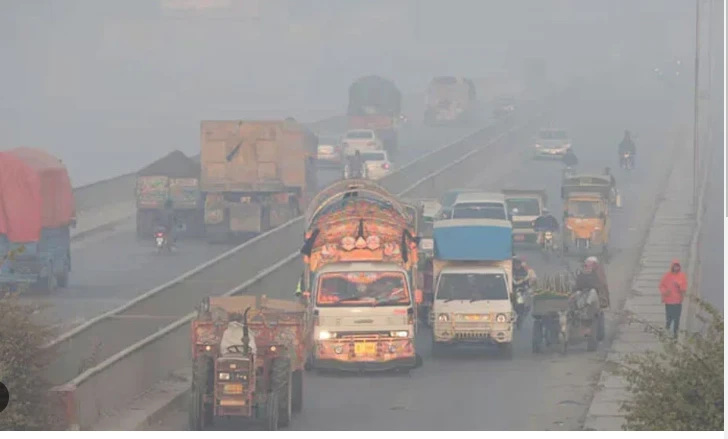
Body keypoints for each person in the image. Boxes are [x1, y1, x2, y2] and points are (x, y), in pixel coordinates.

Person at [658, 259, 688, 338]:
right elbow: (661, 286)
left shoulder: (682, 276)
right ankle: (667, 330)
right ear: (672, 267)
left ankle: (675, 333)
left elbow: (684, 287)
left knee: (677, 318)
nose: (676, 268)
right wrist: (665, 291)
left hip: (678, 301)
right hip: (669, 301)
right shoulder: (667, 276)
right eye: (675, 266)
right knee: (669, 317)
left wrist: (679, 286)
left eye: (677, 266)